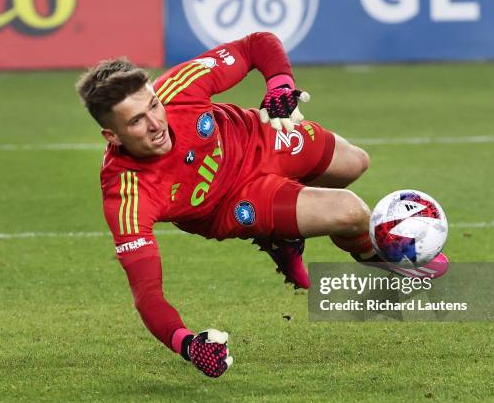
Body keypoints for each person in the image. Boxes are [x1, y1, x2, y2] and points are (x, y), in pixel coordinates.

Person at [76, 32, 448, 378]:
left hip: (262, 137)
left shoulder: (179, 87)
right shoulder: (127, 194)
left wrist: (279, 86)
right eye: (137, 122)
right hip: (234, 204)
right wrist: (187, 344)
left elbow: (257, 45)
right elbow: (147, 295)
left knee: (356, 163)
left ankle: (284, 236)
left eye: (153, 106)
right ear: (112, 136)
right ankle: (381, 258)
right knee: (351, 213)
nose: (156, 123)